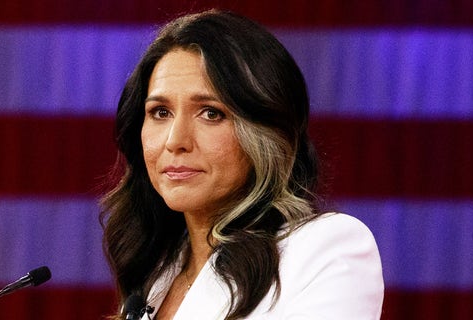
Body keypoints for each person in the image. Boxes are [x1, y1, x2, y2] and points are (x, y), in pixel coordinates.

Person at [100, 9, 383, 320]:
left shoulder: (325, 248)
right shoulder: (157, 273)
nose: (175, 140)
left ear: (266, 134)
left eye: (211, 113)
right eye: (160, 112)